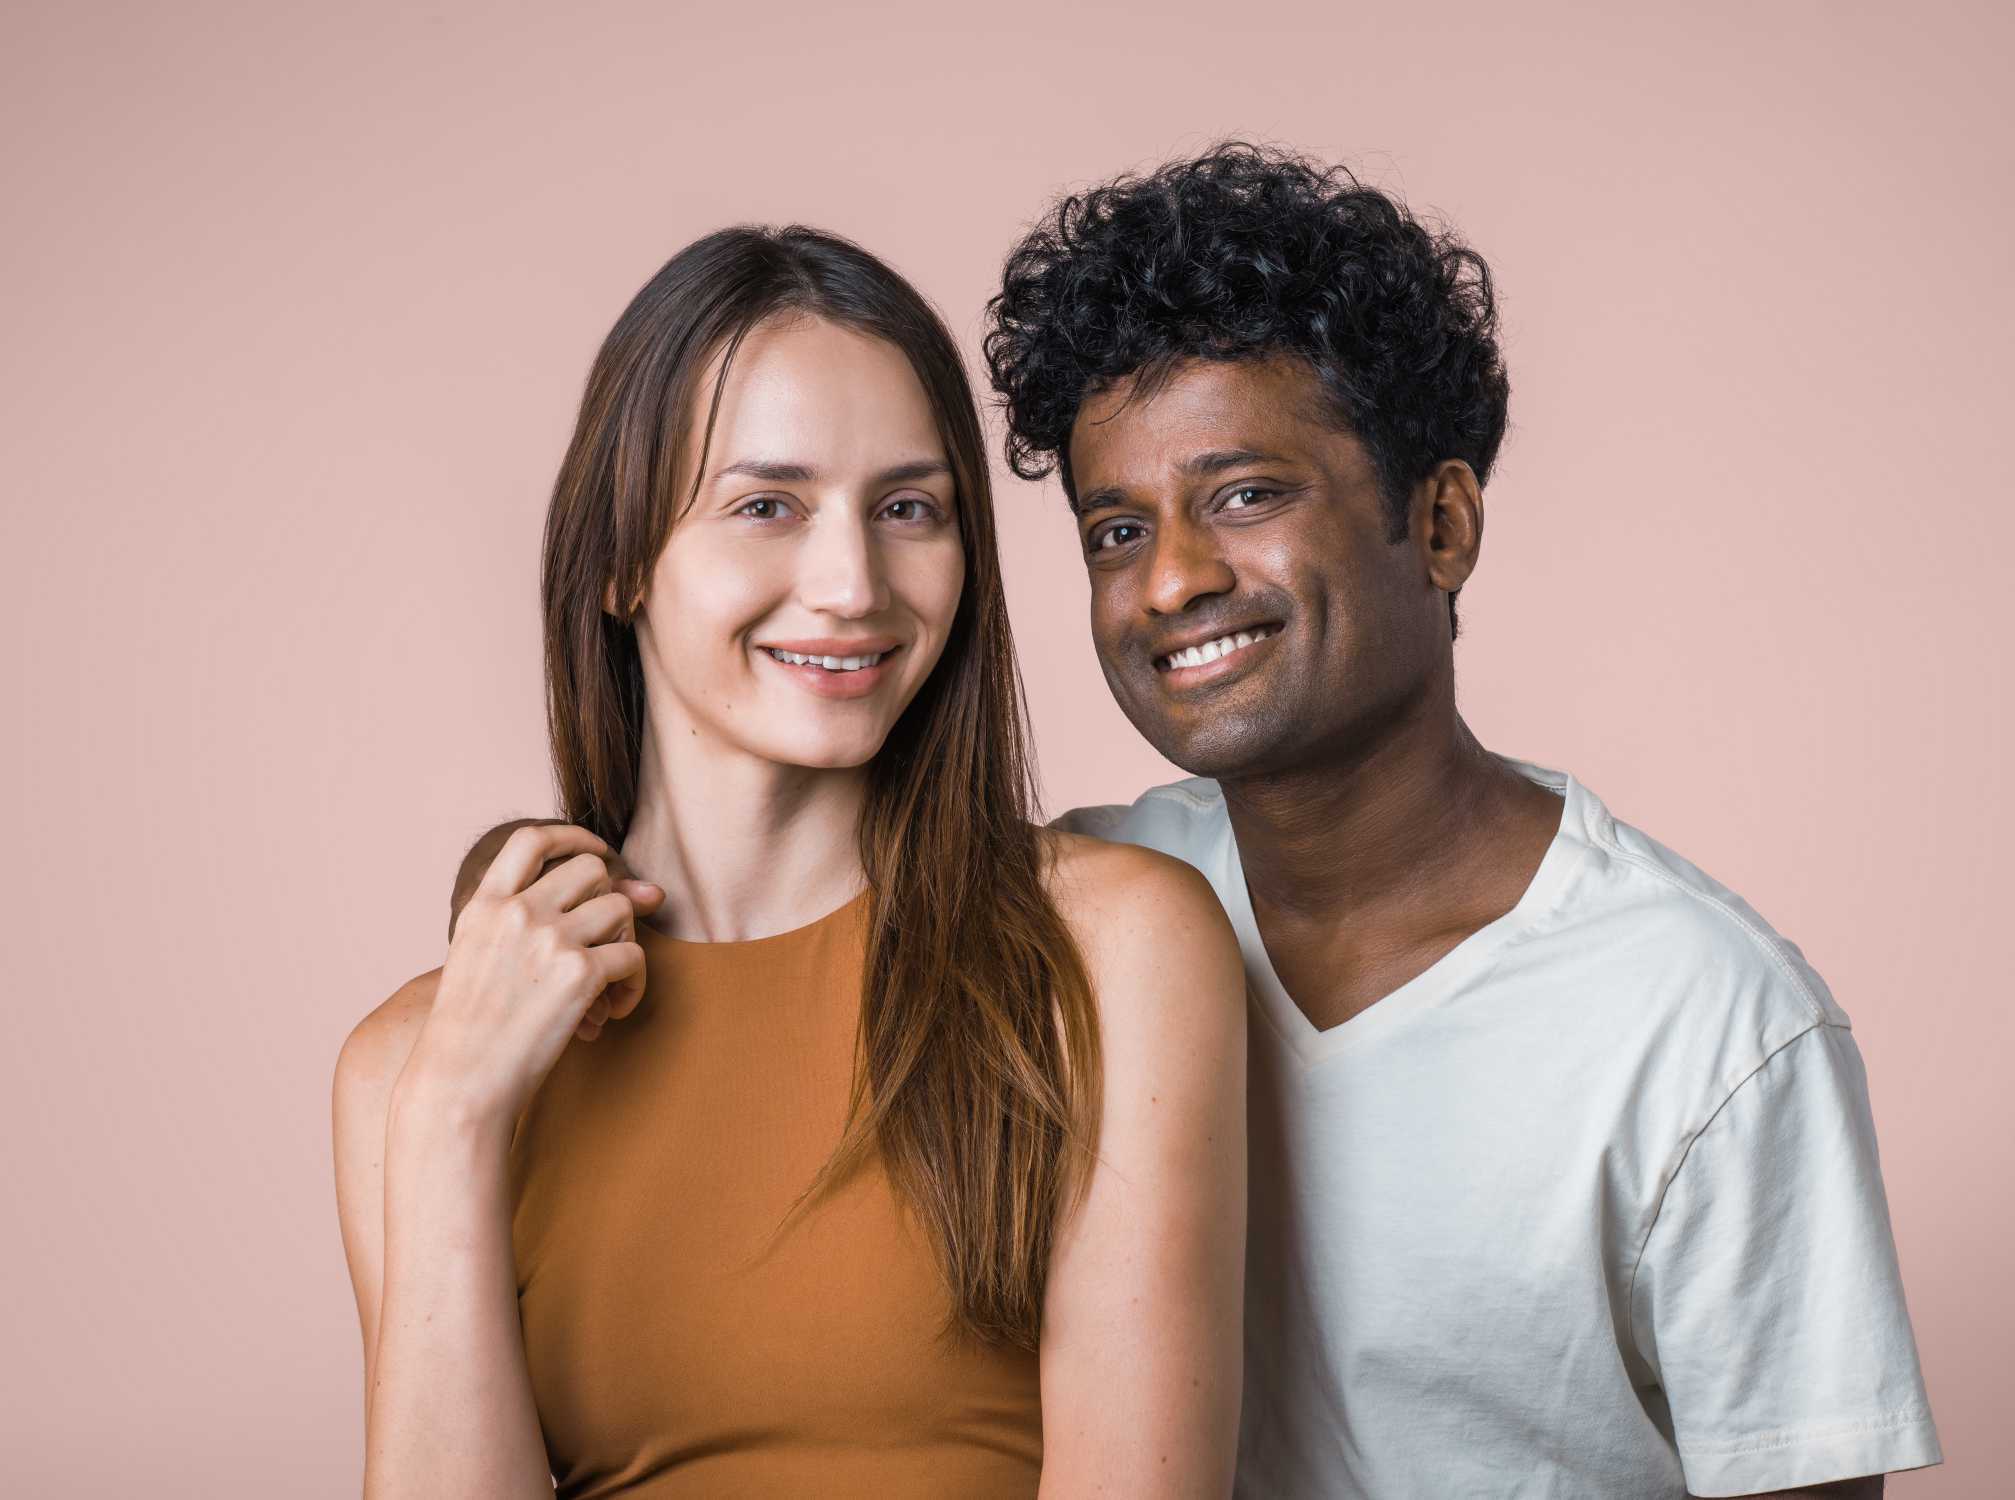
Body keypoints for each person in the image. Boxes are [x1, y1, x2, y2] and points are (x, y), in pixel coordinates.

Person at [981, 143, 1943, 1497]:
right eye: (1112, 531)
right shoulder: (1076, 909)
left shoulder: (1706, 1022)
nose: (1171, 582)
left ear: (1437, 525)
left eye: (1243, 495)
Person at [333, 225, 1248, 1499]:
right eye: (766, 506)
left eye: (906, 509)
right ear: (614, 561)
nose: (849, 583)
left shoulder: (1111, 948)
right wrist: (450, 1121)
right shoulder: (410, 1071)